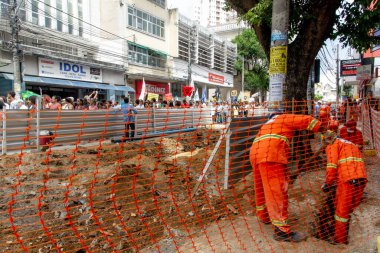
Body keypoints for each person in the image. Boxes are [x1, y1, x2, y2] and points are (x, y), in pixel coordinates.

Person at [249, 113, 323, 242]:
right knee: (277, 191)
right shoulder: (282, 118)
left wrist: (287, 174)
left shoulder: (266, 126)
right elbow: (307, 120)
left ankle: (264, 216)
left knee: (260, 187)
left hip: (255, 154)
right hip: (271, 154)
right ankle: (282, 231)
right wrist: (325, 130)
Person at [321, 131, 367, 244]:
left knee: (341, 212)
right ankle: (343, 233)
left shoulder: (332, 145)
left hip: (347, 180)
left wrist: (327, 183)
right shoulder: (350, 144)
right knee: (350, 208)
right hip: (361, 179)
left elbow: (331, 166)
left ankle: (339, 240)